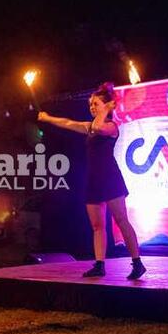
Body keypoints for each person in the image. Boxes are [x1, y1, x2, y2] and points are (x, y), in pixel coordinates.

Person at [38, 82, 146, 280]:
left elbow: (97, 126)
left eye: (95, 103)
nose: (92, 107)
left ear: (106, 106)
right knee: (97, 226)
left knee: (122, 221)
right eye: (91, 104)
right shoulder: (91, 127)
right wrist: (48, 118)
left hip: (110, 178)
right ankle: (99, 264)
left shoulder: (112, 126)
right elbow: (68, 123)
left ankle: (137, 262)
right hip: (94, 179)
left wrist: (104, 110)